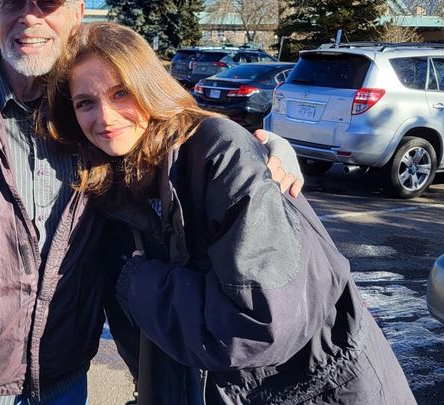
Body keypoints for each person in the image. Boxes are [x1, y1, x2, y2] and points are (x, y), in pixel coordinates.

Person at [0, 1, 302, 404]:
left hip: (65, 383)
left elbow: (178, 140)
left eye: (48, 2)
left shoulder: (94, 112)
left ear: (78, 10)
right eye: (11, 2)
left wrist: (266, 152)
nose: (29, 16)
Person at [45, 21, 415, 404]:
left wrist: (137, 281)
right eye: (85, 103)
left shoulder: (217, 152)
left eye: (121, 92)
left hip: (322, 388)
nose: (105, 117)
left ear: (149, 85)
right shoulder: (110, 183)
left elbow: (258, 324)